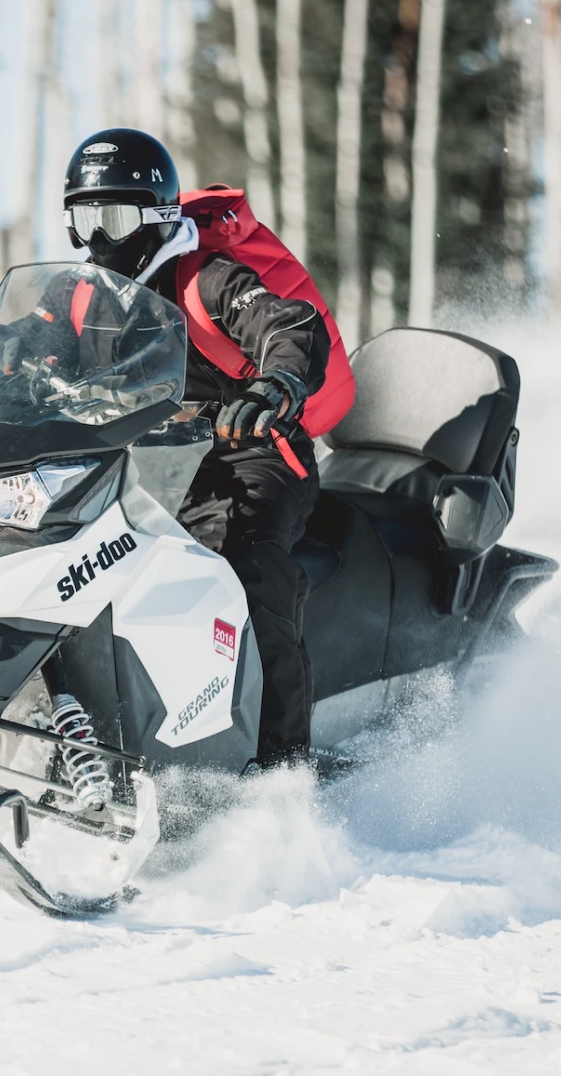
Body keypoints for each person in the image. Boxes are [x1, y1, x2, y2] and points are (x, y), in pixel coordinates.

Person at [62, 127, 342, 768]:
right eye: (84, 219)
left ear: (158, 218)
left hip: (251, 453)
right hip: (144, 465)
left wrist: (279, 380)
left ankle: (280, 764)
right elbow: (32, 344)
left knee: (242, 568)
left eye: (115, 218)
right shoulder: (83, 295)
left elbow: (285, 323)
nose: (100, 238)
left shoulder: (207, 277)